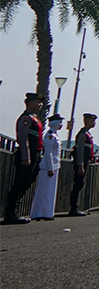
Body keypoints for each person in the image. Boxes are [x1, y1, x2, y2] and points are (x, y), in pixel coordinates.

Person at [4, 91, 45, 225]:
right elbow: (23, 138)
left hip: (35, 154)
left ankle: (14, 211)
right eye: (38, 102)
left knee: (27, 181)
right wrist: (26, 156)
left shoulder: (34, 118)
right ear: (30, 103)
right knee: (20, 183)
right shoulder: (26, 118)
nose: (40, 105)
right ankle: (10, 213)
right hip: (27, 155)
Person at [29, 114, 65, 221]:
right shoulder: (50, 135)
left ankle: (47, 212)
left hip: (54, 165)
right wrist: (50, 168)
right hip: (48, 165)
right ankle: (39, 213)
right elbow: (48, 153)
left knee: (49, 190)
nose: (61, 125)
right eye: (59, 122)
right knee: (44, 189)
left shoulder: (54, 135)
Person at [69, 114, 96, 216]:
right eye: (92, 121)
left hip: (86, 161)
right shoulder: (83, 135)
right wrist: (80, 165)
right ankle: (73, 208)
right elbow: (80, 151)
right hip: (82, 162)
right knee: (78, 184)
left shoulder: (87, 134)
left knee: (80, 184)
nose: (94, 123)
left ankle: (75, 206)